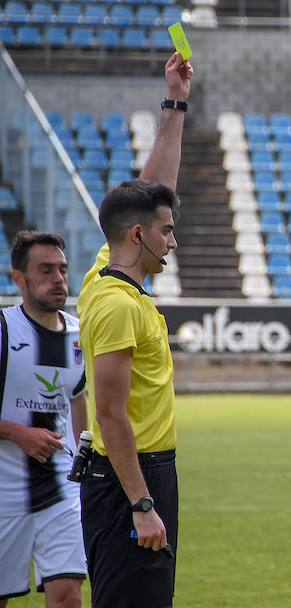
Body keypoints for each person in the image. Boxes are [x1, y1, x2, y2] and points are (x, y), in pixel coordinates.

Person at [77, 52, 191, 608]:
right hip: (132, 478)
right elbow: (110, 414)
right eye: (167, 233)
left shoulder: (107, 269)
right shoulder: (119, 305)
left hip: (141, 473)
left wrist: (175, 104)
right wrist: (143, 504)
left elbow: (152, 188)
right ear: (140, 235)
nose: (174, 241)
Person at [0, 232, 87, 608]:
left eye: (63, 270)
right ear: (19, 278)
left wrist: (87, 464)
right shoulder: (3, 330)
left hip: (61, 488)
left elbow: (78, 403)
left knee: (67, 596)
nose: (59, 279)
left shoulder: (79, 336)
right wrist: (18, 433)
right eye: (46, 270)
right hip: (4, 491)